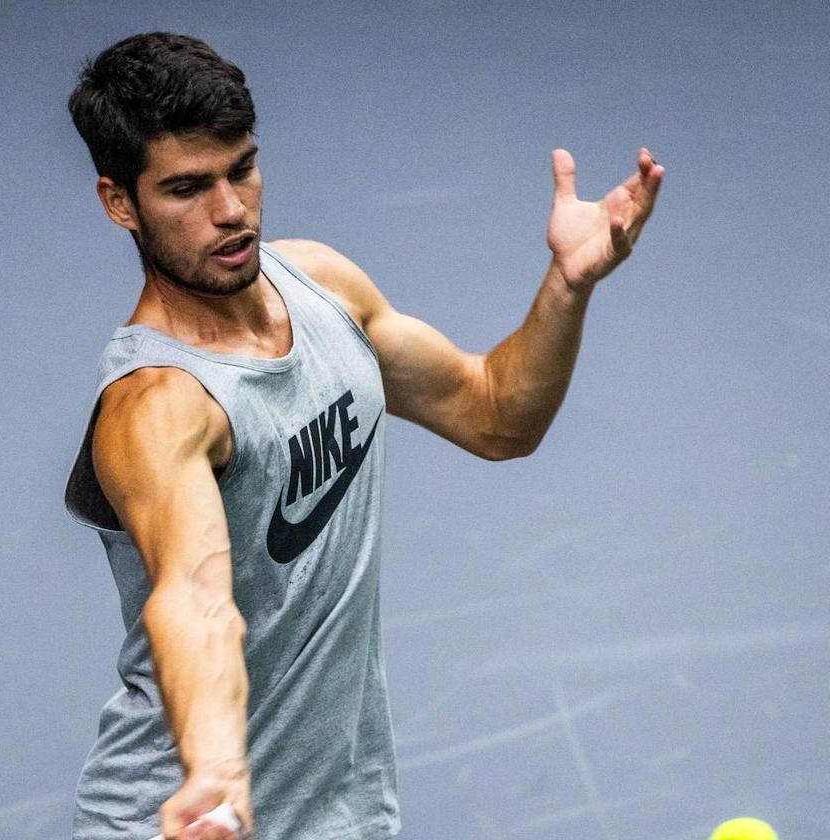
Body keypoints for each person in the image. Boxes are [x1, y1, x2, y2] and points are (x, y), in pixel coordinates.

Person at [63, 31, 663, 840]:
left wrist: (566, 286)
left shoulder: (323, 289)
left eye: (241, 167)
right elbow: (196, 601)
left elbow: (495, 416)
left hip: (333, 813)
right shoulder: (159, 406)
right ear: (119, 202)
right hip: (188, 823)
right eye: (187, 188)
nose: (231, 209)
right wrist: (214, 773)